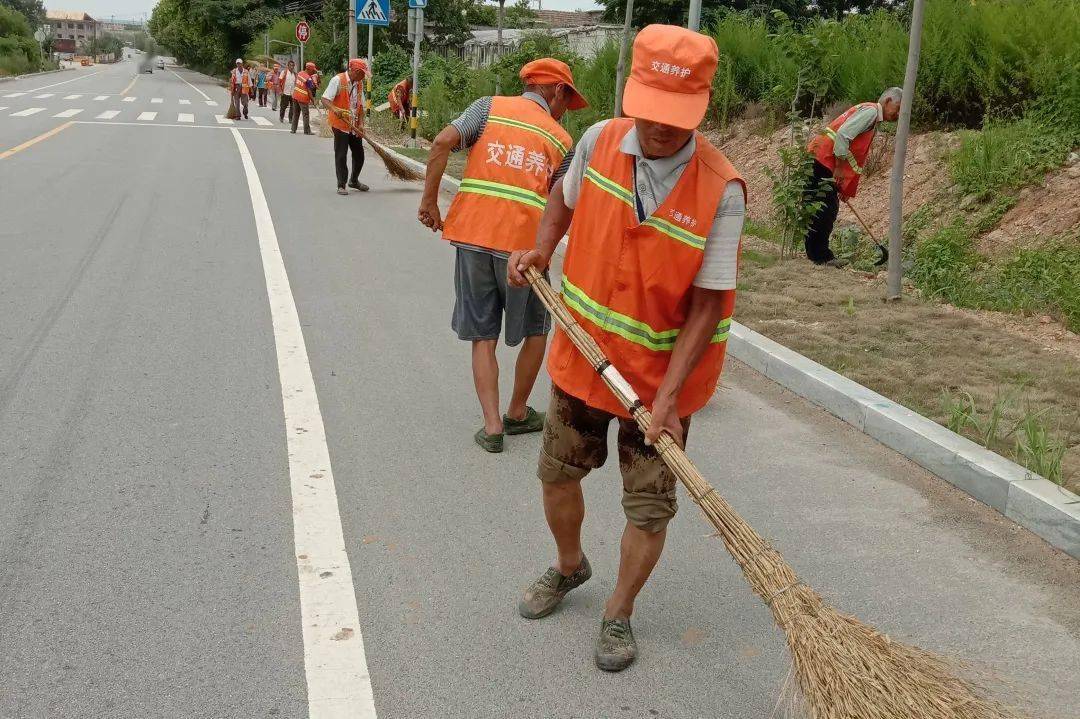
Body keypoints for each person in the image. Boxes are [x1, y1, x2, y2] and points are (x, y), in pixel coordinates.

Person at [507, 25, 746, 672]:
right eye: (650, 112)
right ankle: (569, 565)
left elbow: (706, 304)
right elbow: (561, 196)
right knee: (557, 475)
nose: (660, 128)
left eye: (676, 116)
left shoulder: (721, 189)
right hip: (583, 357)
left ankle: (619, 611)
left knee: (647, 504)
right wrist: (541, 246)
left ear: (701, 107)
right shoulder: (598, 140)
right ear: (630, 94)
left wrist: (667, 401)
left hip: (659, 385)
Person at [417, 59, 587, 453]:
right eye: (567, 99)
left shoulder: (486, 108)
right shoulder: (561, 139)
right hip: (524, 252)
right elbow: (563, 203)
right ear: (557, 91)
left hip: (473, 237)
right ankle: (516, 410)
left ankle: (492, 427)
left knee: (482, 333)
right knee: (536, 329)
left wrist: (429, 203)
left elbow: (442, 142)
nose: (565, 110)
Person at [803, 87, 902, 267]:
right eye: (899, 108)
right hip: (823, 159)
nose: (899, 115)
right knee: (825, 209)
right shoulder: (871, 112)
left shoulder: (870, 116)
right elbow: (843, 135)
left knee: (820, 207)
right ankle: (821, 257)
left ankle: (815, 254)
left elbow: (853, 155)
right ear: (888, 101)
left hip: (821, 158)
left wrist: (844, 185)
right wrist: (839, 168)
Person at [322, 58, 370, 196]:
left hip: (353, 125)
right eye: (362, 74)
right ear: (355, 71)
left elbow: (360, 106)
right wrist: (334, 108)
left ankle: (354, 180)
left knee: (359, 155)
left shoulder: (359, 84)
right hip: (340, 124)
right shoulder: (338, 80)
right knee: (341, 155)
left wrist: (360, 124)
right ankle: (341, 185)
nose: (364, 77)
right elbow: (325, 99)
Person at [291, 61, 318, 135]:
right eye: (313, 70)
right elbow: (309, 91)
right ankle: (307, 131)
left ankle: (293, 129)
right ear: (309, 69)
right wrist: (313, 100)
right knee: (305, 114)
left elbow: (296, 83)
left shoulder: (299, 73)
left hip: (295, 96)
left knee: (296, 113)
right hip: (303, 98)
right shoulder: (308, 79)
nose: (313, 72)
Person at [279, 60, 297, 124]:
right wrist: (280, 90)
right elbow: (280, 82)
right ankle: (281, 117)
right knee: (283, 106)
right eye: (290, 65)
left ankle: (290, 119)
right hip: (285, 92)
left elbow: (296, 84)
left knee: (292, 107)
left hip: (292, 93)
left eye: (293, 66)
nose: (292, 67)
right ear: (288, 66)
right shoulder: (284, 72)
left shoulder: (295, 74)